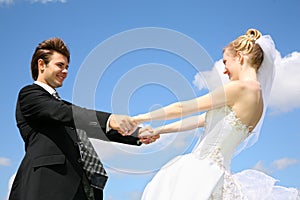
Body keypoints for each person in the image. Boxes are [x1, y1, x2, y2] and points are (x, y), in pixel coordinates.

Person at [134, 29, 299, 199]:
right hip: (219, 178)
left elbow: (183, 108)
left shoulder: (240, 88)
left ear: (240, 57)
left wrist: (137, 118)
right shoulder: (259, 101)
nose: (225, 70)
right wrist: (157, 130)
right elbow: (200, 120)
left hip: (201, 173)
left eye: (226, 62)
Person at [9, 37, 159, 200]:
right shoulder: (30, 95)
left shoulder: (62, 107)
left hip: (80, 186)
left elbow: (93, 127)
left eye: (67, 67)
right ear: (41, 65)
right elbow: (65, 113)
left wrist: (137, 134)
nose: (65, 71)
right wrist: (110, 119)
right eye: (60, 65)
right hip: (48, 184)